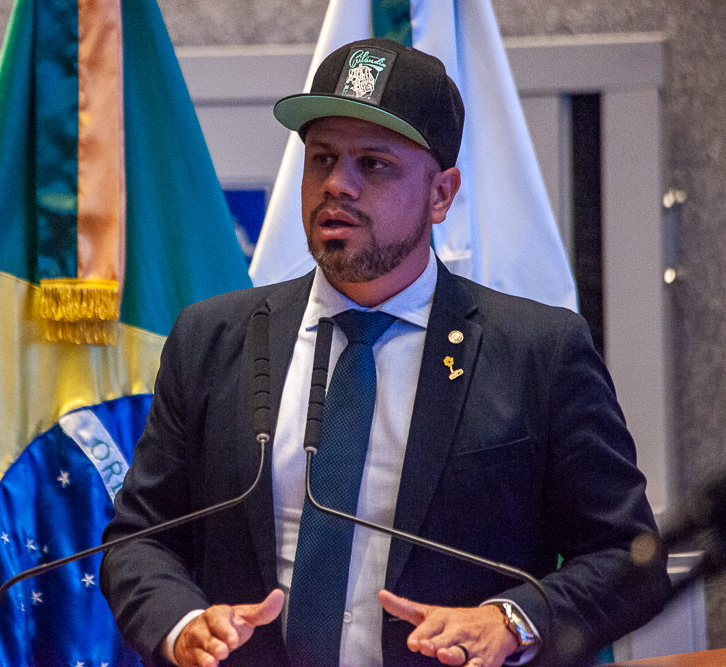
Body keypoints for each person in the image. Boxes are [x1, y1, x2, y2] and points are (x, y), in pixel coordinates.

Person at [99, 37, 669, 667]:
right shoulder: (213, 339)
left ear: (441, 194)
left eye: (373, 164)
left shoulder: (538, 352)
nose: (336, 185)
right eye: (322, 158)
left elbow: (628, 559)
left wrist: (511, 620)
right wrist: (183, 624)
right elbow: (138, 540)